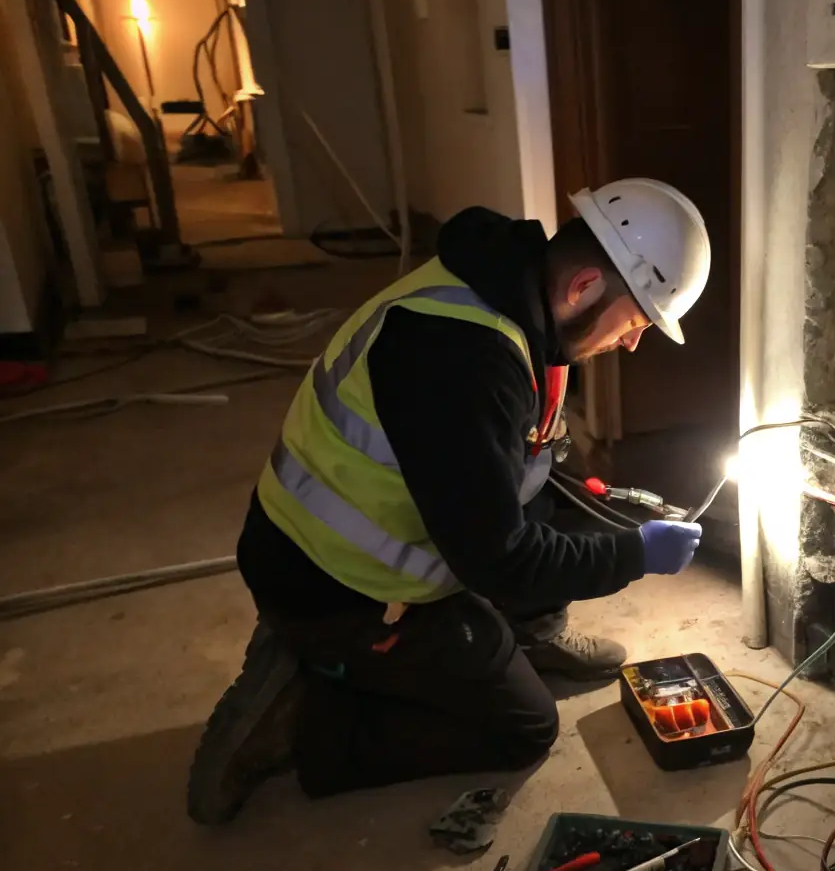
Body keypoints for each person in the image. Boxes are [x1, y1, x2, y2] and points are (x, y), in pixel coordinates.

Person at [187, 179, 711, 825]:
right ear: (582, 288)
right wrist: (633, 555)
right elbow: (500, 560)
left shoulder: (517, 298)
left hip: (408, 536)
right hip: (337, 584)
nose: (632, 343)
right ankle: (301, 719)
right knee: (520, 726)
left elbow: (524, 466)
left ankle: (531, 634)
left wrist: (615, 527)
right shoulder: (461, 359)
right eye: (634, 323)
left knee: (578, 506)